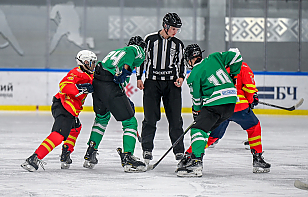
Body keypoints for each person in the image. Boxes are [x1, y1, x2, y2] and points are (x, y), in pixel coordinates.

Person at [183, 62, 271, 173]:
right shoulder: (243, 66)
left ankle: (190, 155)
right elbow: (249, 87)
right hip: (238, 106)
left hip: (221, 106)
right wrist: (252, 99)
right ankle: (257, 159)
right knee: (254, 127)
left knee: (211, 136)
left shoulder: (218, 67)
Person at [21, 50, 97, 171]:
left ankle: (65, 154)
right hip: (63, 106)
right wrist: (80, 88)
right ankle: (34, 158)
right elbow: (64, 85)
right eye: (92, 63)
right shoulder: (76, 72)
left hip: (70, 110)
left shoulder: (89, 75)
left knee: (75, 128)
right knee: (59, 134)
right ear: (84, 62)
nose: (93, 66)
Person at [83, 36, 147, 172]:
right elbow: (132, 51)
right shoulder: (135, 50)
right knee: (130, 121)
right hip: (109, 85)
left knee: (101, 119)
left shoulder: (114, 53)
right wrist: (126, 70)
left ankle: (91, 152)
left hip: (98, 83)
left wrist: (125, 100)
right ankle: (128, 157)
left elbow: (114, 79)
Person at [176, 44, 242, 177]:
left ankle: (196, 162)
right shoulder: (215, 57)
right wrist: (234, 75)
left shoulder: (193, 74)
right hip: (230, 104)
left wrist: (196, 113)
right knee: (205, 130)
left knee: (198, 130)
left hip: (214, 104)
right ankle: (193, 156)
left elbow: (196, 99)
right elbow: (236, 55)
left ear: (189, 59)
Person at [136, 13, 186, 164]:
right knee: (150, 118)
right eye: (173, 28)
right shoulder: (149, 40)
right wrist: (139, 77)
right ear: (165, 26)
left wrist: (181, 77)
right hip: (152, 83)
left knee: (176, 119)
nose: (175, 32)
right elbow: (142, 60)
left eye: (177, 29)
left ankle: (179, 151)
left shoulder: (178, 44)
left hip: (171, 84)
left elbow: (181, 63)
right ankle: (147, 149)